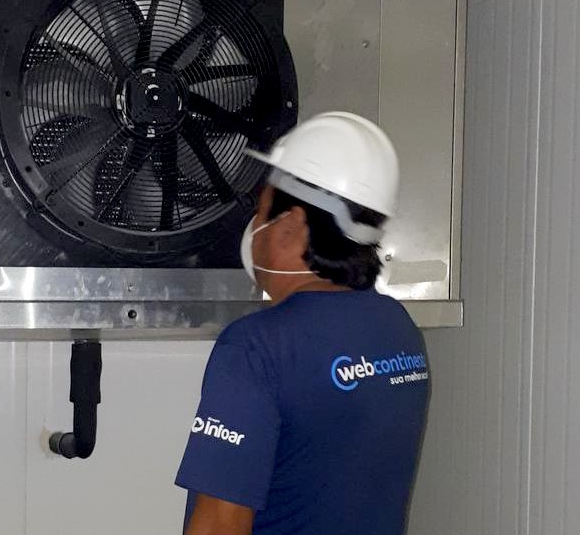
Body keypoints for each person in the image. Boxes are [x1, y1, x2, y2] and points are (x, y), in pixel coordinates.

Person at [175, 112, 430, 535]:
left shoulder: (257, 347)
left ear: (291, 225)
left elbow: (219, 524)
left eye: (262, 212)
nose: (254, 228)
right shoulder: (398, 329)